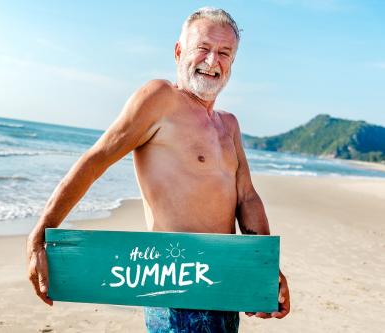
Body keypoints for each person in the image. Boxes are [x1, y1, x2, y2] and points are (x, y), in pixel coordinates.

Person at [27, 7, 290, 332]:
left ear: (232, 63)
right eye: (203, 48)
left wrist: (262, 268)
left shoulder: (229, 126)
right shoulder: (160, 98)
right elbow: (96, 161)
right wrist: (40, 235)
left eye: (224, 53)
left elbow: (247, 198)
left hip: (222, 284)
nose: (212, 61)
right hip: (174, 286)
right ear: (179, 51)